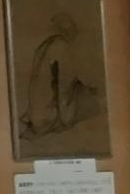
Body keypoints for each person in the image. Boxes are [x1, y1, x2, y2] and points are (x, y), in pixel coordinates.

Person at [20, 11, 101, 140]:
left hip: (36, 113)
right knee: (94, 105)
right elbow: (65, 86)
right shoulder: (62, 46)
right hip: (48, 115)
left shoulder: (45, 45)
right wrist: (67, 119)